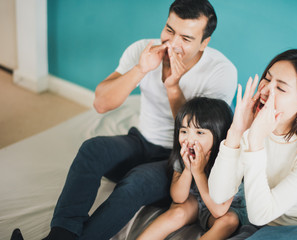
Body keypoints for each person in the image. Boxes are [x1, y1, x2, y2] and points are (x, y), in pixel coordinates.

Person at [10, 0, 237, 240]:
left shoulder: (221, 71)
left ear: (204, 43)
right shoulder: (143, 48)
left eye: (186, 38)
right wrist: (140, 69)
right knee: (92, 149)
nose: (173, 43)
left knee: (137, 181)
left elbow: (199, 136)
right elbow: (101, 103)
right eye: (169, 30)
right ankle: (60, 236)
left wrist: (172, 88)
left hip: (179, 158)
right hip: (140, 140)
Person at [208, 49, 297, 239]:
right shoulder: (256, 129)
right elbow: (219, 196)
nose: (265, 90)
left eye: (281, 88)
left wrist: (255, 142)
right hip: (270, 226)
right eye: (267, 79)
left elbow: (259, 215)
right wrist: (236, 132)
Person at [136, 97, 247, 240]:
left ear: (219, 135)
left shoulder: (230, 160)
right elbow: (178, 197)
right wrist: (188, 169)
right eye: (184, 131)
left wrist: (199, 172)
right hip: (197, 203)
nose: (189, 139)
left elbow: (219, 211)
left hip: (226, 208)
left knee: (229, 220)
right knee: (178, 211)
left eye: (199, 133)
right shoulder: (184, 153)